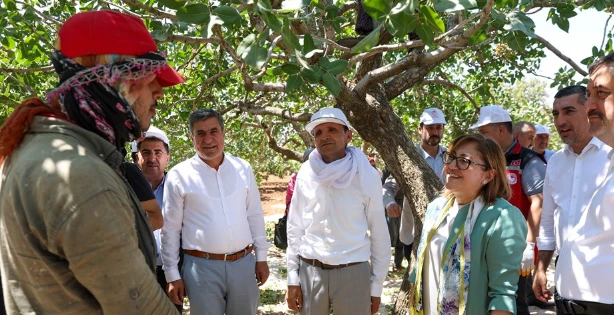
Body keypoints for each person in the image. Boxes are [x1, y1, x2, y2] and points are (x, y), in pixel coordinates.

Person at [0, 10, 184, 314]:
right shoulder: (81, 177)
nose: (159, 93)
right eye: (151, 80)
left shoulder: (32, 148)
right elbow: (141, 307)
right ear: (121, 81)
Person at [161, 109, 270, 315]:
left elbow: (254, 215)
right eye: (200, 133)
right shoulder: (179, 175)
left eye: (214, 131)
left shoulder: (243, 168)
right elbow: (171, 229)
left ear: (224, 133)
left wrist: (261, 257)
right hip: (201, 269)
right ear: (192, 138)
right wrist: (172, 274)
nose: (208, 139)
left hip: (244, 265)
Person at [286, 107, 390, 315]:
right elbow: (295, 227)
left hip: (353, 272)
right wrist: (292, 278)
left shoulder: (366, 175)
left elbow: (379, 231)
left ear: (348, 135)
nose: (324, 136)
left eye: (332, 129)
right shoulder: (306, 172)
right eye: (318, 133)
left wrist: (376, 286)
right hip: (311, 271)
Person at [409, 133, 527, 315]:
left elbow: (502, 296)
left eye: (464, 161)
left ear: (488, 175)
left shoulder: (502, 217)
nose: (451, 166)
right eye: (451, 157)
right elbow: (419, 274)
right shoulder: (436, 208)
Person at [538, 52, 614, 314]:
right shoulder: (556, 163)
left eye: (569, 111)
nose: (560, 121)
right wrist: (541, 267)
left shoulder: (609, 154)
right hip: (566, 296)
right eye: (556, 113)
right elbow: (549, 219)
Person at [472, 105, 547, 315]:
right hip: (486, 243)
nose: (481, 138)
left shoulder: (528, 160)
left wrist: (529, 245)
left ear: (501, 130)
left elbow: (538, 203)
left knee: (515, 302)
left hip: (515, 247)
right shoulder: (484, 159)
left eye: (484, 133)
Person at [134, 126, 185, 312]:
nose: (152, 158)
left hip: (171, 273)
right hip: (137, 272)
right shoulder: (125, 189)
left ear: (167, 157)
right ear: (136, 157)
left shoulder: (180, 188)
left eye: (158, 152)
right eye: (145, 152)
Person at [417, 108, 447, 182]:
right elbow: (392, 184)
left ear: (443, 130)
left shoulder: (451, 156)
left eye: (438, 127)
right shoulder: (410, 155)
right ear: (420, 130)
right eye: (430, 128)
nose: (435, 132)